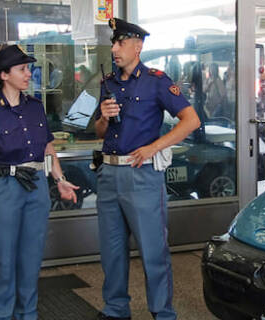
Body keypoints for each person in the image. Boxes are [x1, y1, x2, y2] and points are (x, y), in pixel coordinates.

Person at [94, 18, 200, 320]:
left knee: (153, 251)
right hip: (109, 173)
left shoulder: (156, 80)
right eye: (113, 43)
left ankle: (162, 313)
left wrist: (155, 147)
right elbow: (102, 132)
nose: (114, 49)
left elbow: (191, 121)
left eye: (120, 43)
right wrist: (102, 116)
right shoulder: (108, 83)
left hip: (141, 174)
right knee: (112, 251)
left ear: (137, 46)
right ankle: (116, 309)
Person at [0, 45, 79, 320]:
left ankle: (28, 314)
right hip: (4, 187)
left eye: (28, 68)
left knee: (31, 257)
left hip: (37, 186)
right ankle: (1, 315)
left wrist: (60, 180)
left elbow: (48, 149)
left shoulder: (35, 107)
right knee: (4, 259)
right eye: (22, 69)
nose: (29, 74)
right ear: (4, 75)